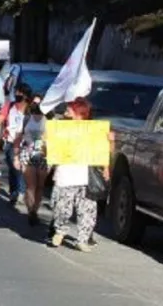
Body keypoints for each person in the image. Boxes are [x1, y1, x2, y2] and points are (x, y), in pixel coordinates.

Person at [50, 98, 105, 252]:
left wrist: (105, 166)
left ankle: (82, 239)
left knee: (87, 210)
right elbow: (50, 151)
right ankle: (60, 230)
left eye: (69, 110)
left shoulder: (92, 131)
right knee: (61, 208)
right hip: (65, 175)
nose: (66, 112)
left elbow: (101, 151)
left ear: (79, 114)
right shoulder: (59, 128)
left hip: (85, 177)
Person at [16, 97, 48, 225]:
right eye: (35, 103)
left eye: (40, 103)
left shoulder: (49, 120)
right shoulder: (26, 118)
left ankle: (35, 209)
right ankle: (31, 211)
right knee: (31, 185)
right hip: (27, 153)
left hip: (44, 154)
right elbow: (19, 136)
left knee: (40, 186)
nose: (37, 105)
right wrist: (16, 155)